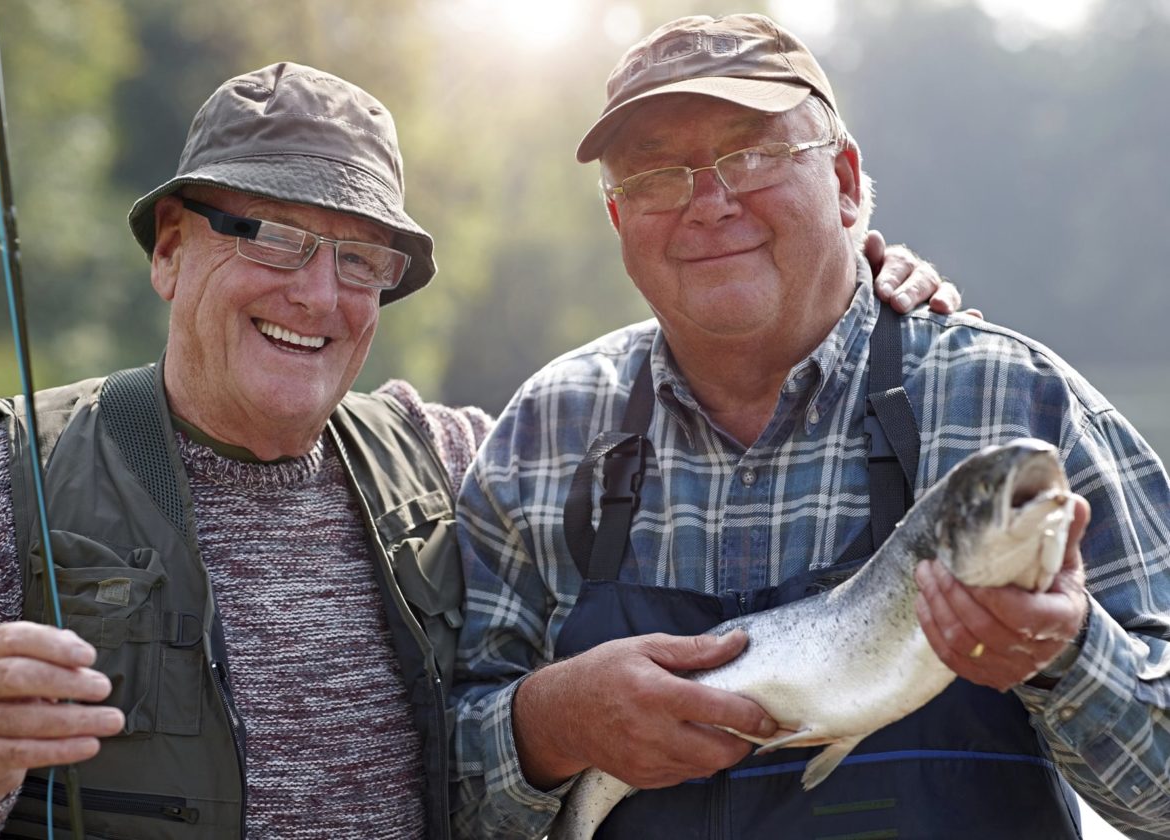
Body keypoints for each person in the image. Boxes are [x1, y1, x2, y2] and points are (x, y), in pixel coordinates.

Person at [0, 62, 948, 839]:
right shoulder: (3, 487)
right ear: (172, 249)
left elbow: (710, 449)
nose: (316, 294)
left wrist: (846, 285)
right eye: (269, 234)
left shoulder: (455, 457)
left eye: (359, 258)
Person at [450, 13, 1170, 840]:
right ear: (619, 220)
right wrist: (549, 728)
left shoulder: (1017, 406)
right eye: (654, 173)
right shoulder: (544, 434)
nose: (709, 202)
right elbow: (426, 792)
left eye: (753, 153)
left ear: (848, 180)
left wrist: (1068, 655)